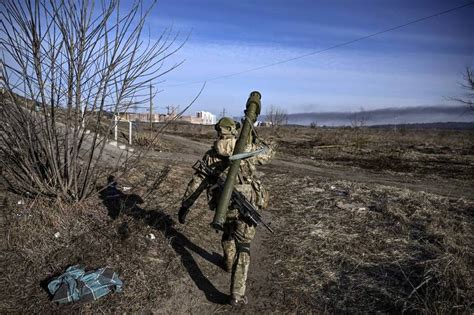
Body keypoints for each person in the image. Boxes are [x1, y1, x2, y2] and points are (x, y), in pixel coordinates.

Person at [178, 117, 275, 306]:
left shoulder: (211, 155)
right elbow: (270, 153)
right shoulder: (246, 151)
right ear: (235, 131)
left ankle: (228, 262)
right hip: (246, 205)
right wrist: (255, 135)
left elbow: (197, 182)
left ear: (219, 131)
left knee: (228, 231)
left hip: (224, 208)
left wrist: (185, 206)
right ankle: (237, 294)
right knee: (244, 246)